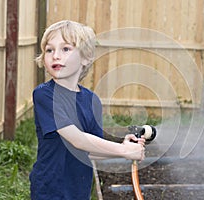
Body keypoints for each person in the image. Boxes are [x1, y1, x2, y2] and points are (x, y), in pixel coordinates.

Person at [29, 20, 146, 200]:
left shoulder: (92, 100)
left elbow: (91, 150)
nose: (55, 56)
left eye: (66, 49)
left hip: (79, 189)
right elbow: (77, 139)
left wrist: (124, 147)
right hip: (50, 188)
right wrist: (122, 150)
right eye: (49, 50)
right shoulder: (44, 95)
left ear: (86, 57)